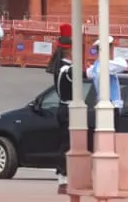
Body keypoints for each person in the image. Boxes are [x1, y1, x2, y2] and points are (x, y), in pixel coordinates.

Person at [86, 34, 128, 151]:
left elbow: (88, 72)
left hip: (102, 105)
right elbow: (123, 65)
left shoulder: (95, 67)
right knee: (111, 138)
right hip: (110, 105)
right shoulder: (106, 65)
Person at [53, 33, 75, 194]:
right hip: (68, 109)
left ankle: (63, 177)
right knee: (67, 145)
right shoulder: (69, 69)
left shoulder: (60, 66)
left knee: (64, 143)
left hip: (62, 107)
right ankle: (64, 178)